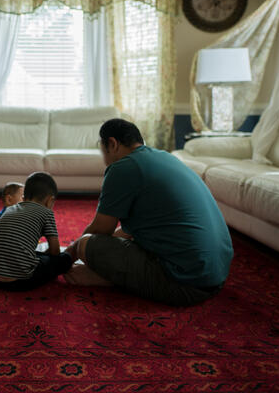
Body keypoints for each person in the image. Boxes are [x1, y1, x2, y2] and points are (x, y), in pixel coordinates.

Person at [65, 118, 233, 306]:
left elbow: (99, 231)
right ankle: (114, 276)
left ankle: (110, 279)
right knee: (102, 246)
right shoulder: (165, 157)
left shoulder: (122, 167)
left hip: (186, 284)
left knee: (86, 244)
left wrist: (68, 255)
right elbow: (129, 231)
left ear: (111, 144)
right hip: (216, 276)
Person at [0, 172, 73, 291]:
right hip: (20, 280)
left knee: (28, 254)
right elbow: (55, 251)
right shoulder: (46, 213)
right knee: (65, 258)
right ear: (50, 201)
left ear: (24, 196)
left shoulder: (10, 209)